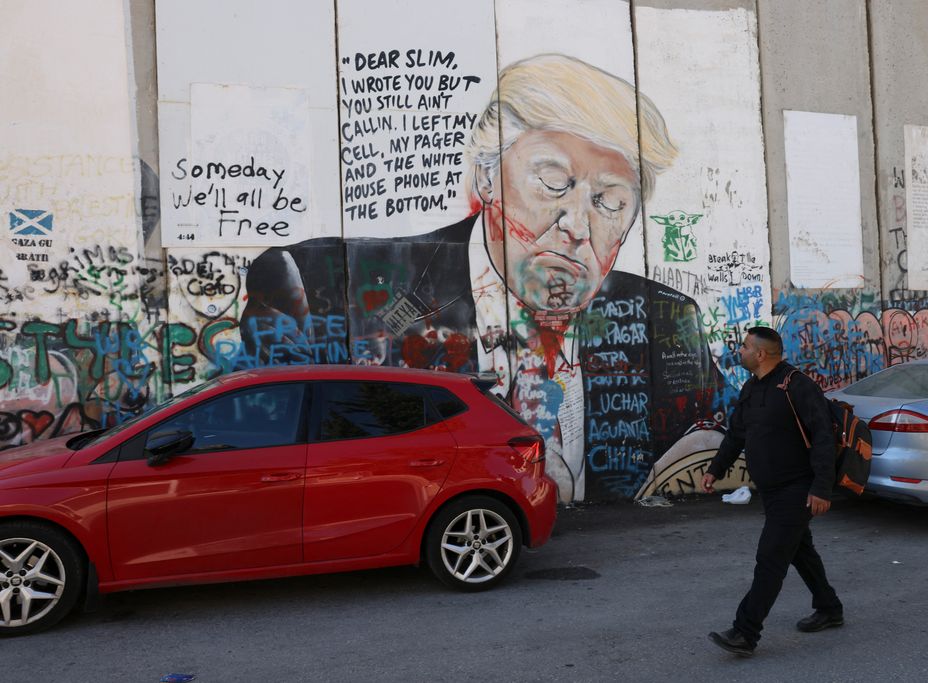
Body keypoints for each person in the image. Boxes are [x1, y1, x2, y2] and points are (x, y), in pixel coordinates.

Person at [242, 55, 725, 502]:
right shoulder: (318, 286)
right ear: (487, 178)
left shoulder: (666, 318)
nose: (577, 226)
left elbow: (714, 441)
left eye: (610, 202)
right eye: (554, 183)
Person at [701, 326, 843, 656]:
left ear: (761, 354)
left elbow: (823, 437)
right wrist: (715, 470)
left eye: (745, 347)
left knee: (770, 558)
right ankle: (829, 607)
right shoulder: (752, 388)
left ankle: (745, 632)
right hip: (771, 490)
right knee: (798, 550)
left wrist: (821, 488)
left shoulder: (797, 386)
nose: (740, 351)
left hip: (798, 489)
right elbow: (737, 434)